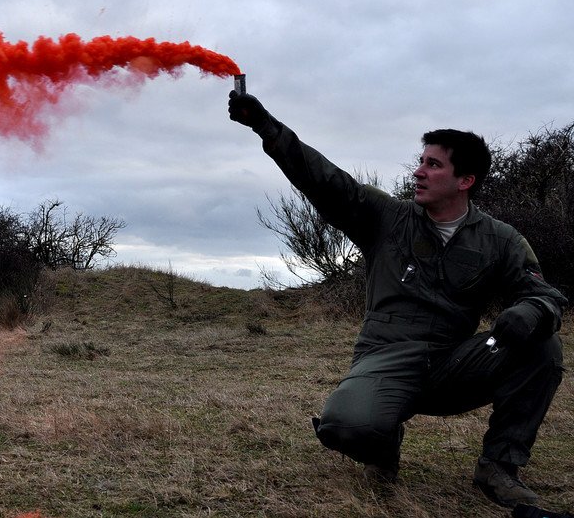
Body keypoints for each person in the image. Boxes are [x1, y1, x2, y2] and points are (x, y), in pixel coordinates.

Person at [227, 90, 567, 509]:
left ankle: (498, 467)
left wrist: (530, 311)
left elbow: (544, 295)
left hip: (453, 363)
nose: (418, 171)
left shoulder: (500, 239)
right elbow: (325, 180)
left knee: (543, 345)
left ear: (465, 181)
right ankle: (381, 443)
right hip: (386, 357)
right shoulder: (385, 217)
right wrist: (266, 127)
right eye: (420, 161)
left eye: (433, 164)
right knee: (344, 426)